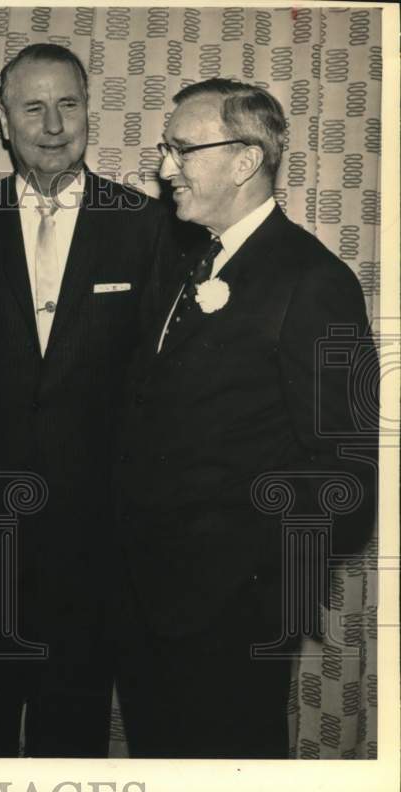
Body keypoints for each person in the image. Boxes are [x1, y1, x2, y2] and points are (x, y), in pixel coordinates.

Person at [112, 78, 377, 758]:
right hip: (146, 602)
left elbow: (349, 481)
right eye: (164, 150)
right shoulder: (183, 259)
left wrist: (249, 583)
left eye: (182, 150)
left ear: (244, 160)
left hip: (231, 616)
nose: (165, 168)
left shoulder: (315, 281)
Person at [0, 43, 173, 757]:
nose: (53, 123)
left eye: (68, 103)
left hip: (93, 541)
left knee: (73, 736)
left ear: (89, 111)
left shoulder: (146, 225)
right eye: (32, 107)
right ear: (2, 123)